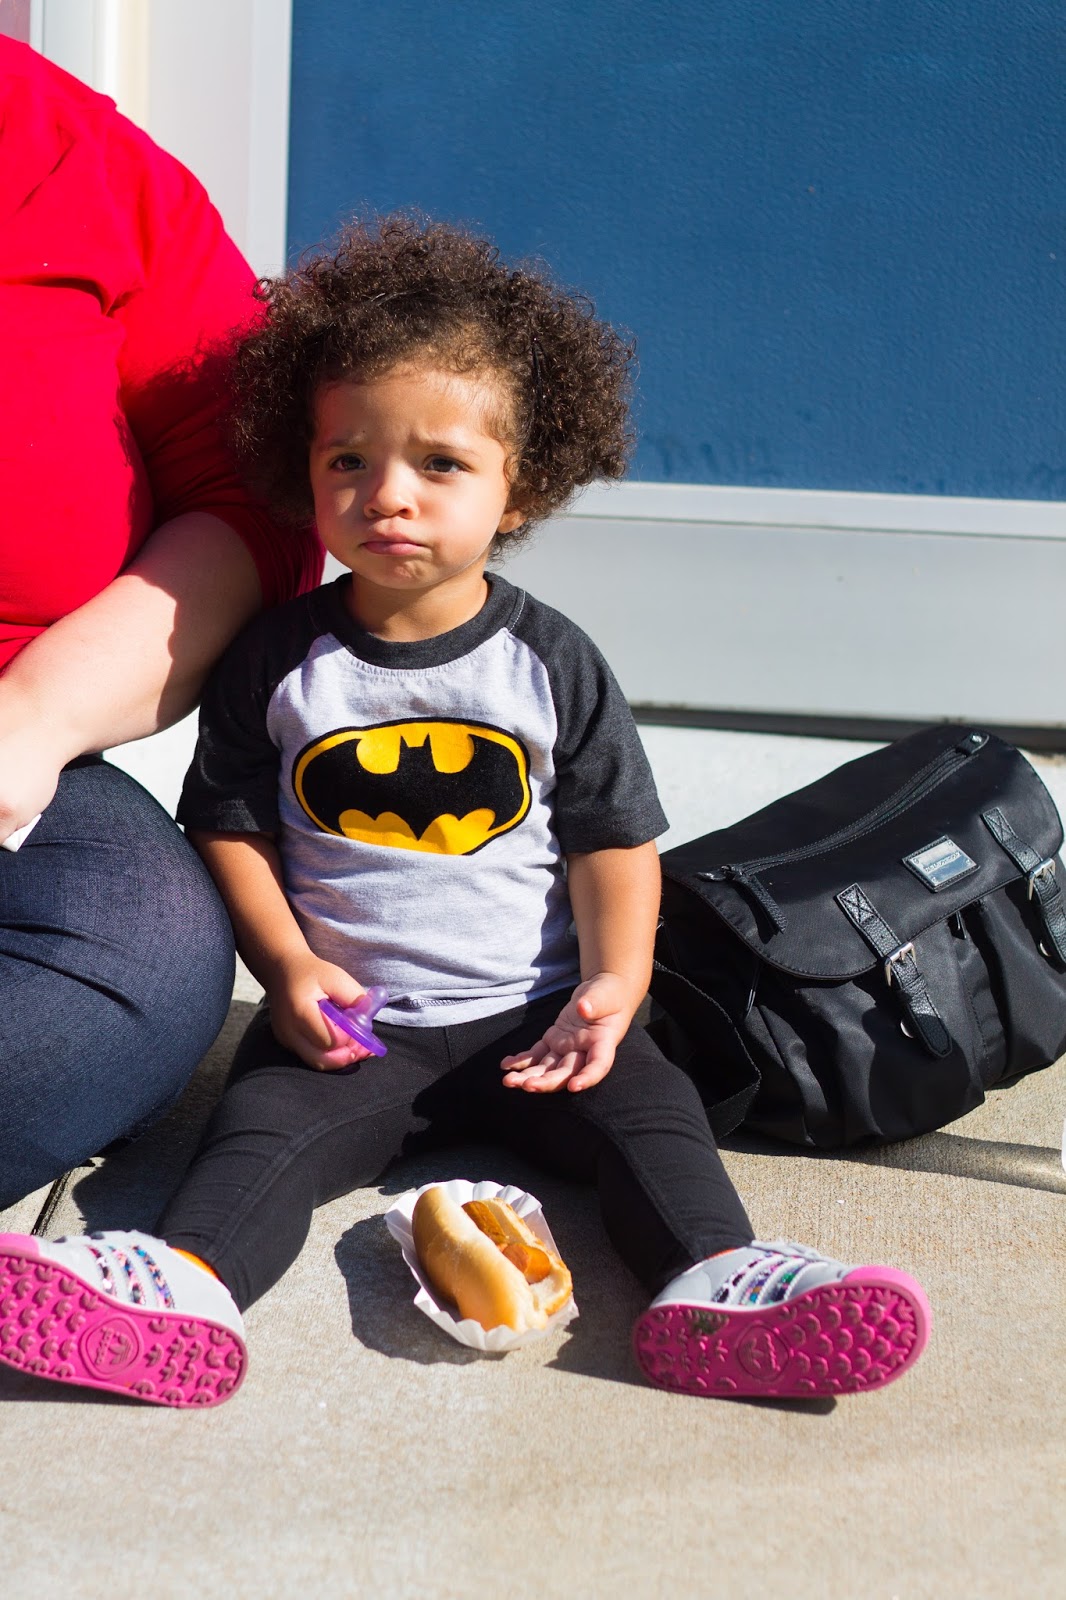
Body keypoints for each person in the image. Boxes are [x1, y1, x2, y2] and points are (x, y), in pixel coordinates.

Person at [0, 216, 931, 1406]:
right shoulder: (276, 660)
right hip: (356, 1028)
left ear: (517, 485)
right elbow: (228, 827)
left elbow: (613, 841)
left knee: (654, 1116)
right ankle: (178, 1287)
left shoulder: (548, 663)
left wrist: (615, 985)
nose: (387, 496)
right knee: (256, 1137)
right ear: (302, 468)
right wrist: (286, 968)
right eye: (348, 460)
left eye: (439, 465)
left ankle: (719, 1280)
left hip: (535, 1018)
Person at [0, 37, 322, 1210]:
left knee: (141, 946)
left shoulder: (76, 157)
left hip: (13, 725)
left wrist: (32, 721)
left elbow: (254, 495)